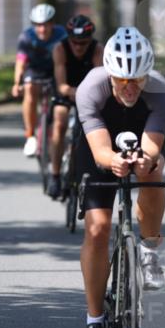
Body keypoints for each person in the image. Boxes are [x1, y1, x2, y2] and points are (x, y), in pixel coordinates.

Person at [74, 27, 165, 328]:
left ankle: (148, 249)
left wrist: (143, 161)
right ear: (110, 74)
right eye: (122, 80)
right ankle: (95, 322)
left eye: (138, 79)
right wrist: (113, 161)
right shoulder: (91, 88)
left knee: (154, 170)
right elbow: (100, 148)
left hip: (141, 140)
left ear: (148, 75)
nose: (130, 87)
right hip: (97, 145)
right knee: (98, 228)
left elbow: (151, 145)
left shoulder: (161, 92)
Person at [47, 14, 104, 199]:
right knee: (60, 121)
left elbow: (100, 79)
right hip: (67, 91)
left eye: (83, 43)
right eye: (75, 42)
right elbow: (62, 86)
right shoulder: (60, 49)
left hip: (89, 92)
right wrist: (76, 91)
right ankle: (55, 175)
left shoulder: (97, 50)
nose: (79, 47)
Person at [12, 3, 68, 157]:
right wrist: (17, 83)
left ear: (52, 24)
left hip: (55, 69)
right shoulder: (26, 37)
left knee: (61, 94)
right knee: (29, 89)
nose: (42, 29)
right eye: (38, 25)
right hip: (34, 69)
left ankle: (53, 129)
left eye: (46, 25)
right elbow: (21, 62)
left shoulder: (62, 35)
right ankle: (30, 135)